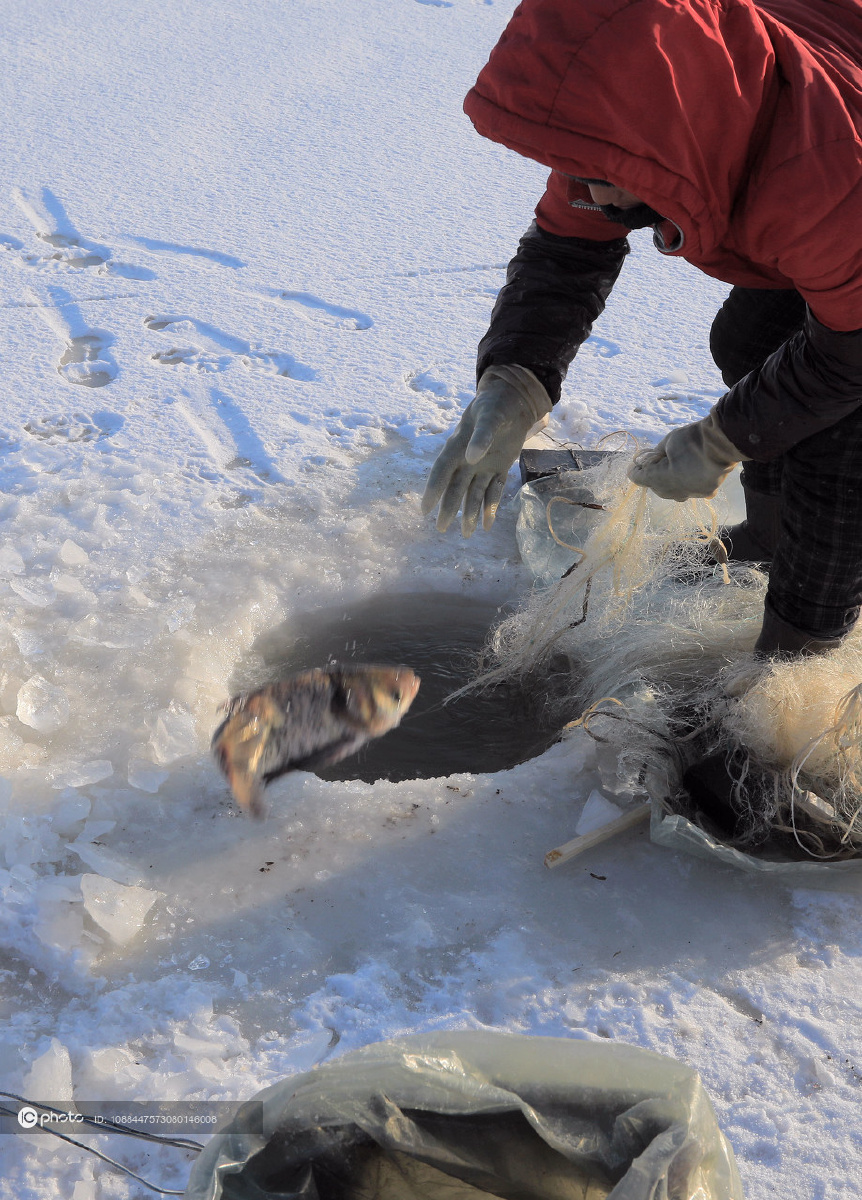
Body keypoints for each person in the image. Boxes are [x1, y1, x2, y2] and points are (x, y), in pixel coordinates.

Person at [421, 0, 862, 659]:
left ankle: (799, 660)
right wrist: (516, 375)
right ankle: (771, 537)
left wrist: (721, 439)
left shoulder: (822, 176)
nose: (590, 195)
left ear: (674, 134)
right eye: (583, 169)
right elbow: (566, 252)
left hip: (842, 177)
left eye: (604, 175)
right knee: (746, 343)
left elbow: (848, 363)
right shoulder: (634, 120)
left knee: (839, 439)